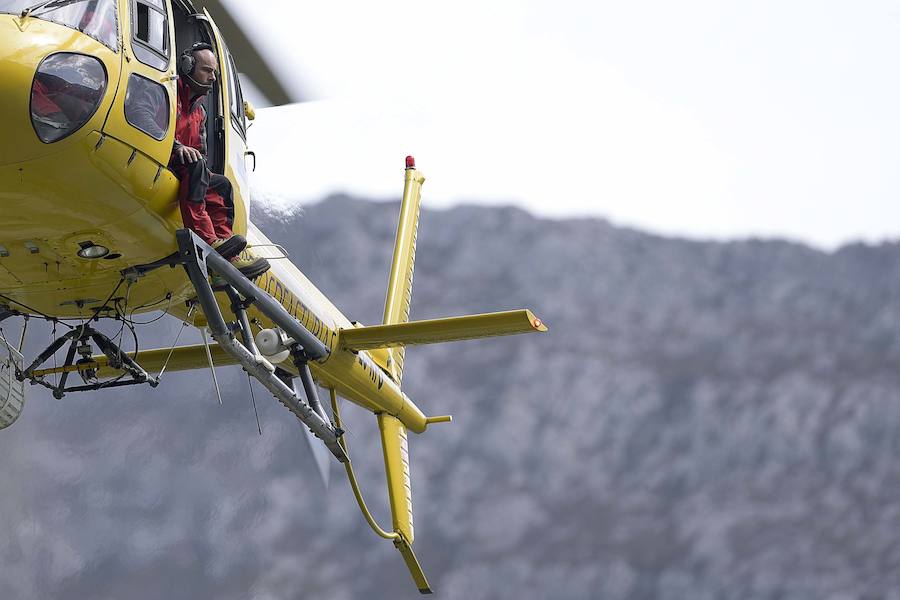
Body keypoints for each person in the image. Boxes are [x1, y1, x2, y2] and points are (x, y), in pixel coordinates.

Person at [170, 42, 269, 279]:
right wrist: (178, 147)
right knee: (196, 166)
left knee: (221, 184)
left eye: (214, 72)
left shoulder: (200, 111)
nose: (213, 78)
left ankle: (226, 247)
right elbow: (149, 122)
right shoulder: (169, 93)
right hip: (166, 157)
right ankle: (206, 238)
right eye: (207, 70)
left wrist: (195, 158)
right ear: (188, 66)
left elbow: (200, 150)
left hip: (188, 165)